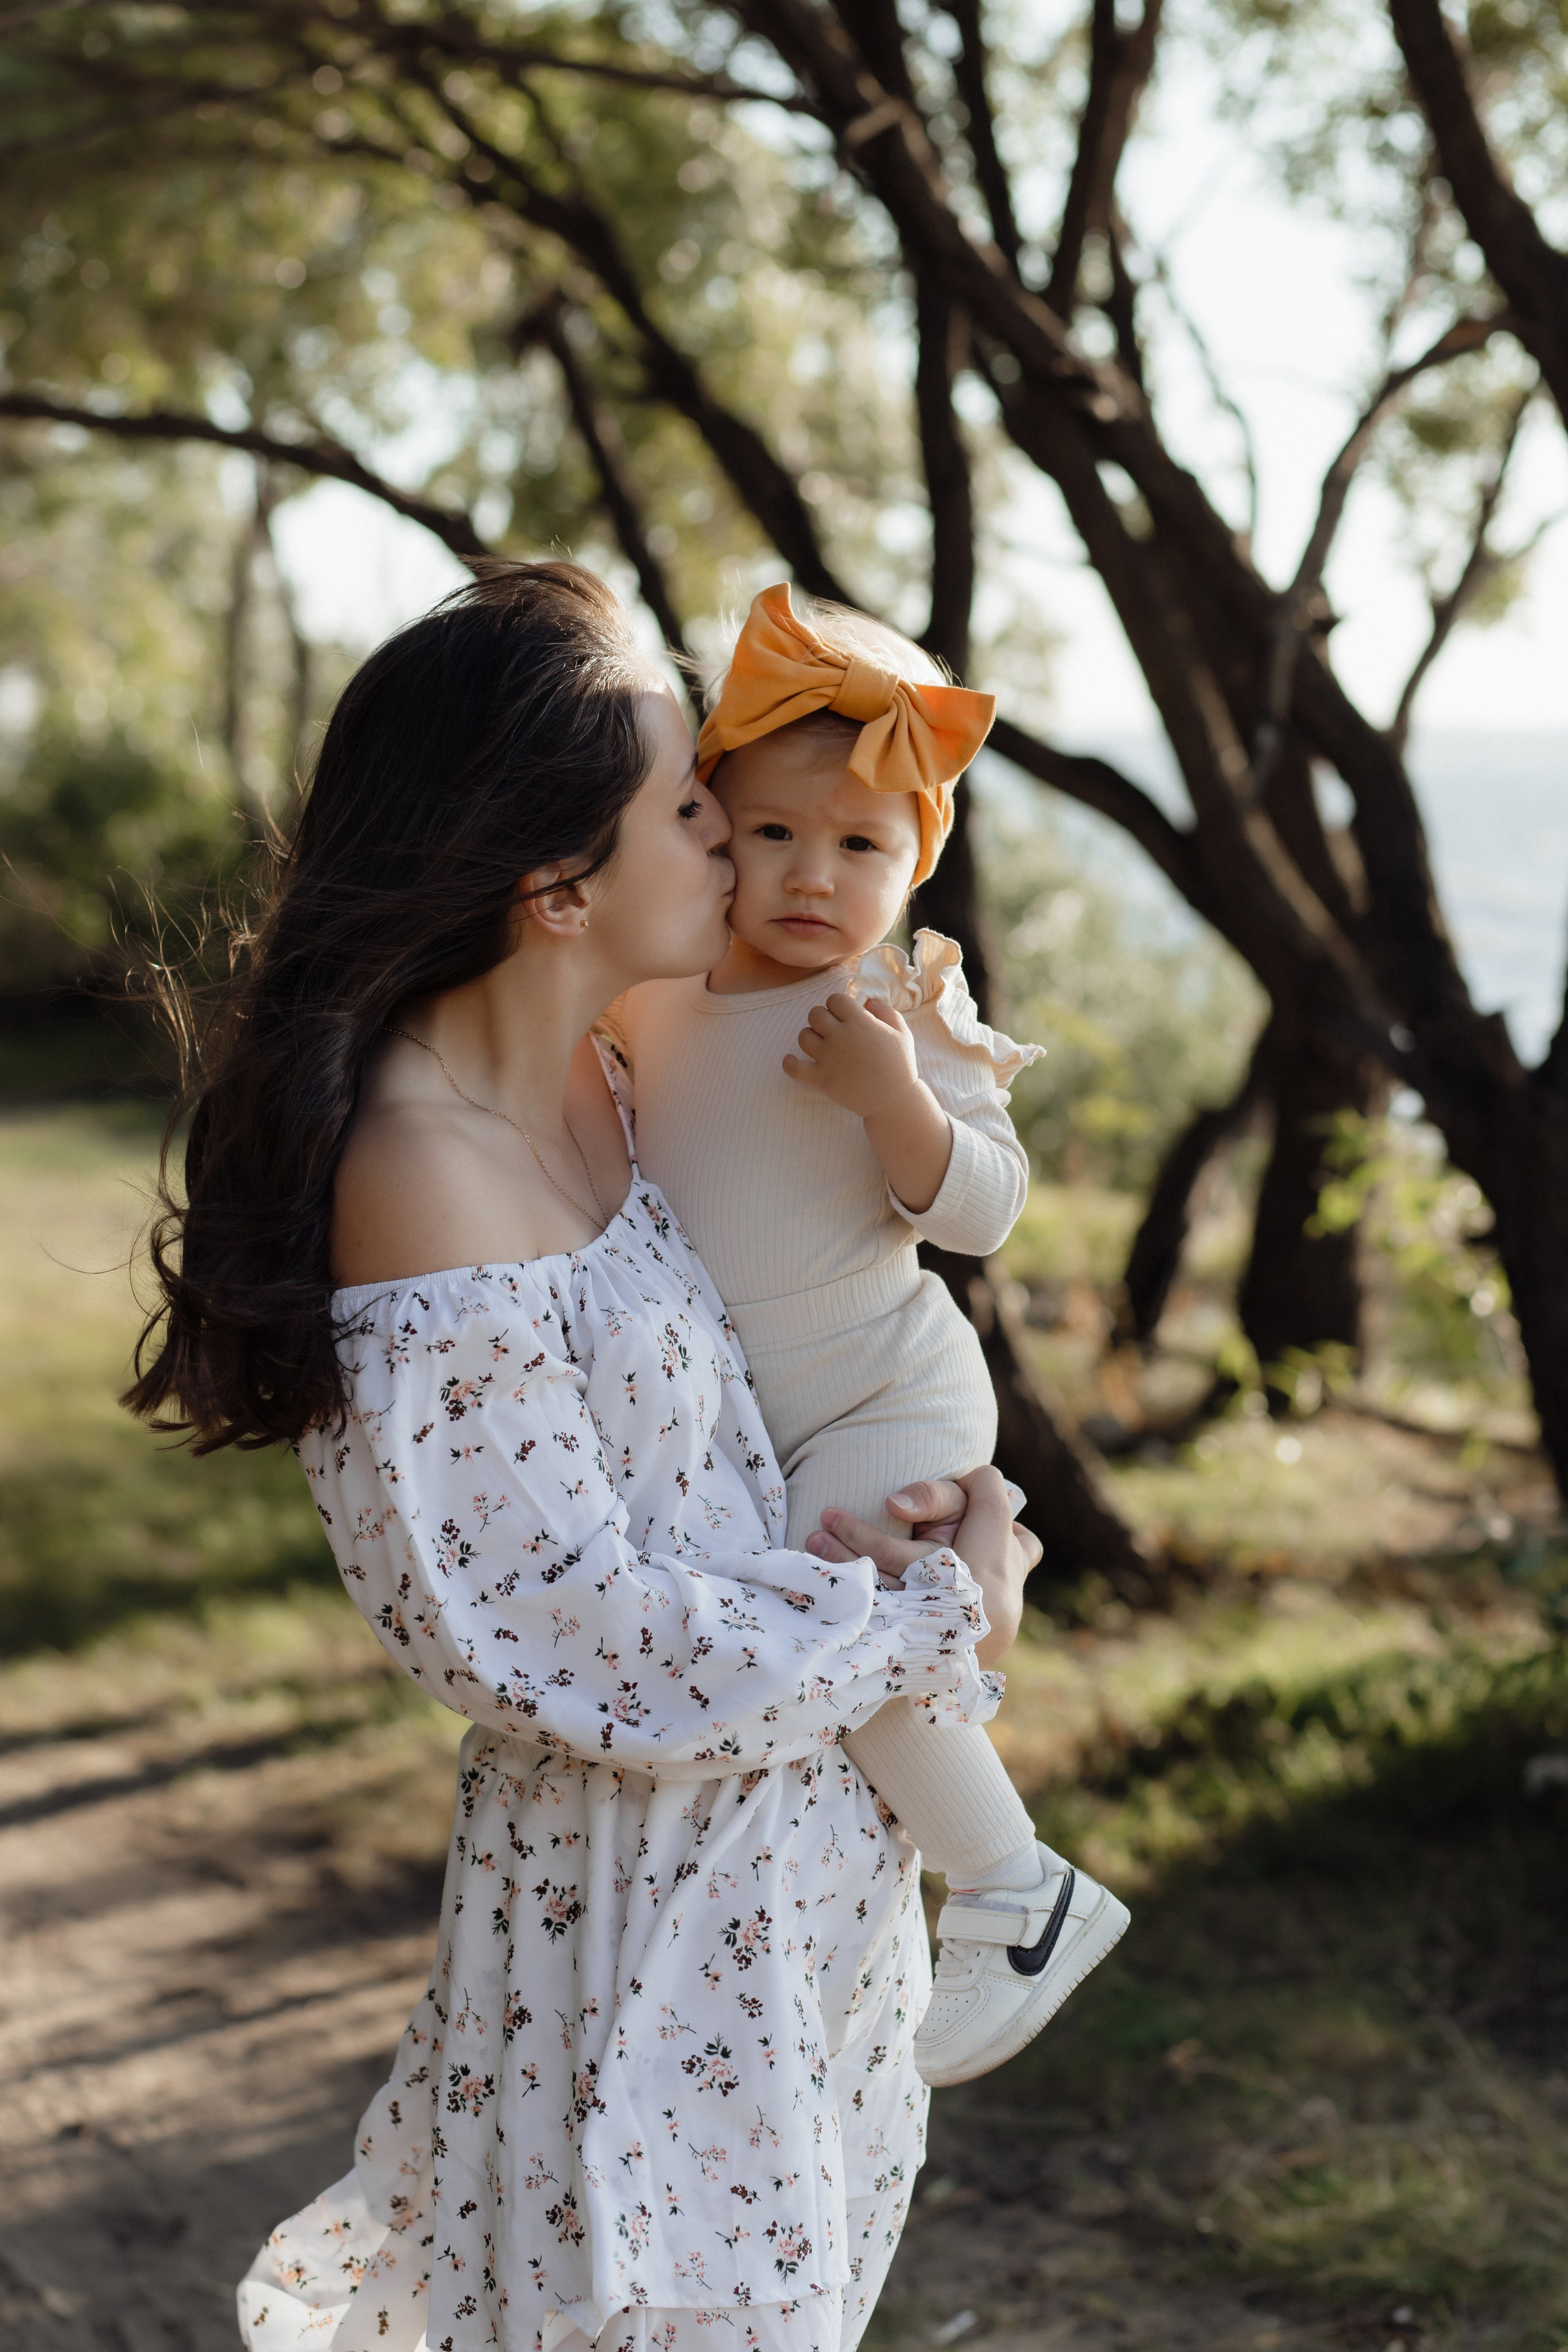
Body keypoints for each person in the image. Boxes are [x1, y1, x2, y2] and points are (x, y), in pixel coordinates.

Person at [123, 560, 1038, 2352]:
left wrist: (953, 1504)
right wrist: (936, 1613)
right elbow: (570, 1634)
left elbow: (765, 1399)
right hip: (638, 1948)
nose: (740, 846)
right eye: (695, 809)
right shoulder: (424, 1176)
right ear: (558, 887)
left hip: (794, 1907)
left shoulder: (613, 1085)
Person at [605, 586, 1129, 2089]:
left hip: (883, 1389)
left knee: (836, 1595)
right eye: (771, 832)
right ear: (708, 824)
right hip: (745, 1413)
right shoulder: (655, 993)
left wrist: (893, 1098)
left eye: (859, 847)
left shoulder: (896, 1005)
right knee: (790, 1637)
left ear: (915, 864)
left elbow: (985, 1211)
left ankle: (1015, 1887)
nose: (810, 875)